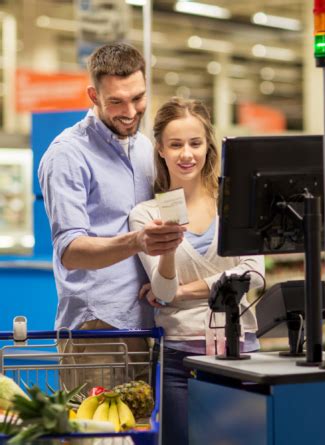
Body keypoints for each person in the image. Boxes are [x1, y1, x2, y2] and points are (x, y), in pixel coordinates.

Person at [37, 43, 185, 389]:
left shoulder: (145, 147)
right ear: (93, 95)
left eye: (138, 98)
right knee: (100, 438)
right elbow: (71, 251)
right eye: (116, 101)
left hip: (148, 326)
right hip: (97, 332)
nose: (131, 111)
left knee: (142, 437)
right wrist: (137, 241)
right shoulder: (67, 155)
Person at [129, 97, 265, 445]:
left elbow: (252, 275)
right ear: (159, 149)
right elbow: (161, 290)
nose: (186, 154)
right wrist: (169, 249)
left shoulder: (234, 204)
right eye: (175, 145)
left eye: (195, 143)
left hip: (241, 351)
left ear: (208, 145)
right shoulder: (146, 216)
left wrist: (180, 293)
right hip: (179, 358)